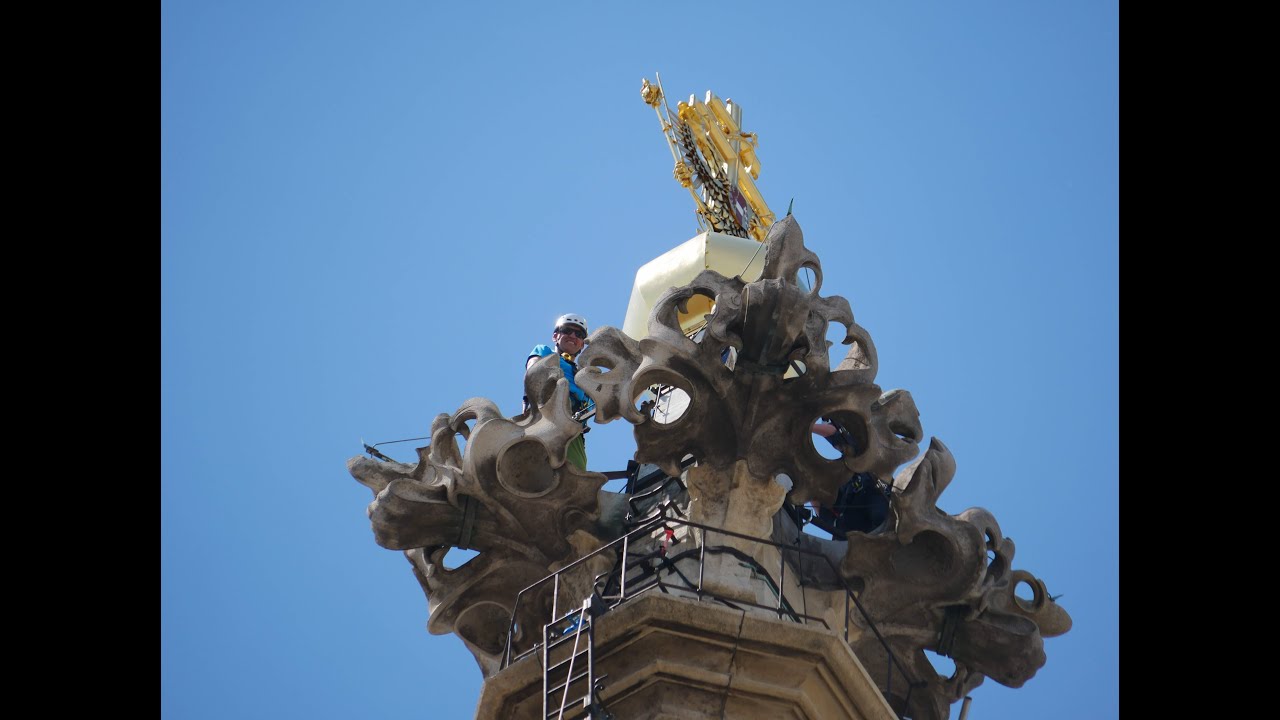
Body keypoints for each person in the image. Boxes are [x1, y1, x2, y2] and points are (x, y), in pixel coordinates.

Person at [526, 313, 593, 470]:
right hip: (547, 413)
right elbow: (532, 373)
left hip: (574, 429)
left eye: (579, 334)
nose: (572, 336)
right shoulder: (544, 351)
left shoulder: (586, 376)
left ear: (582, 343)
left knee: (577, 473)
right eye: (567, 330)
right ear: (555, 336)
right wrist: (528, 399)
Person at [810, 419, 892, 535]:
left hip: (875, 503)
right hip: (850, 527)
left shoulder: (861, 454)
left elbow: (834, 434)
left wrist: (807, 427)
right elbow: (816, 502)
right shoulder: (835, 485)